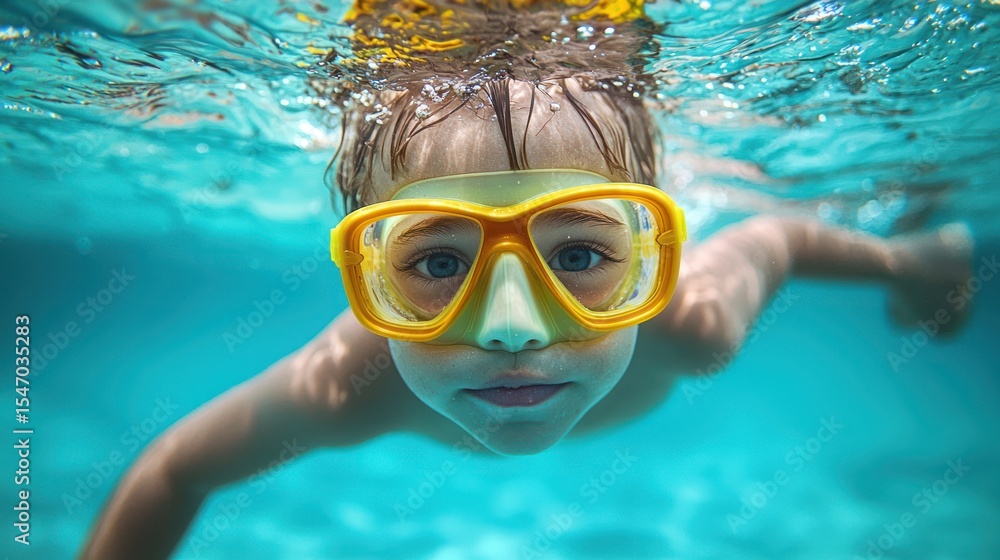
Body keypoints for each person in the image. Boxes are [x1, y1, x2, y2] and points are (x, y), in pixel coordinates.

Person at [81, 0, 973, 557]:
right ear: (368, 275)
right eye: (437, 263)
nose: (514, 327)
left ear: (651, 258)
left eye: (580, 256)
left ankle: (922, 255)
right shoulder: (348, 383)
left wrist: (905, 267)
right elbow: (172, 474)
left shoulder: (688, 326)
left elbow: (775, 238)